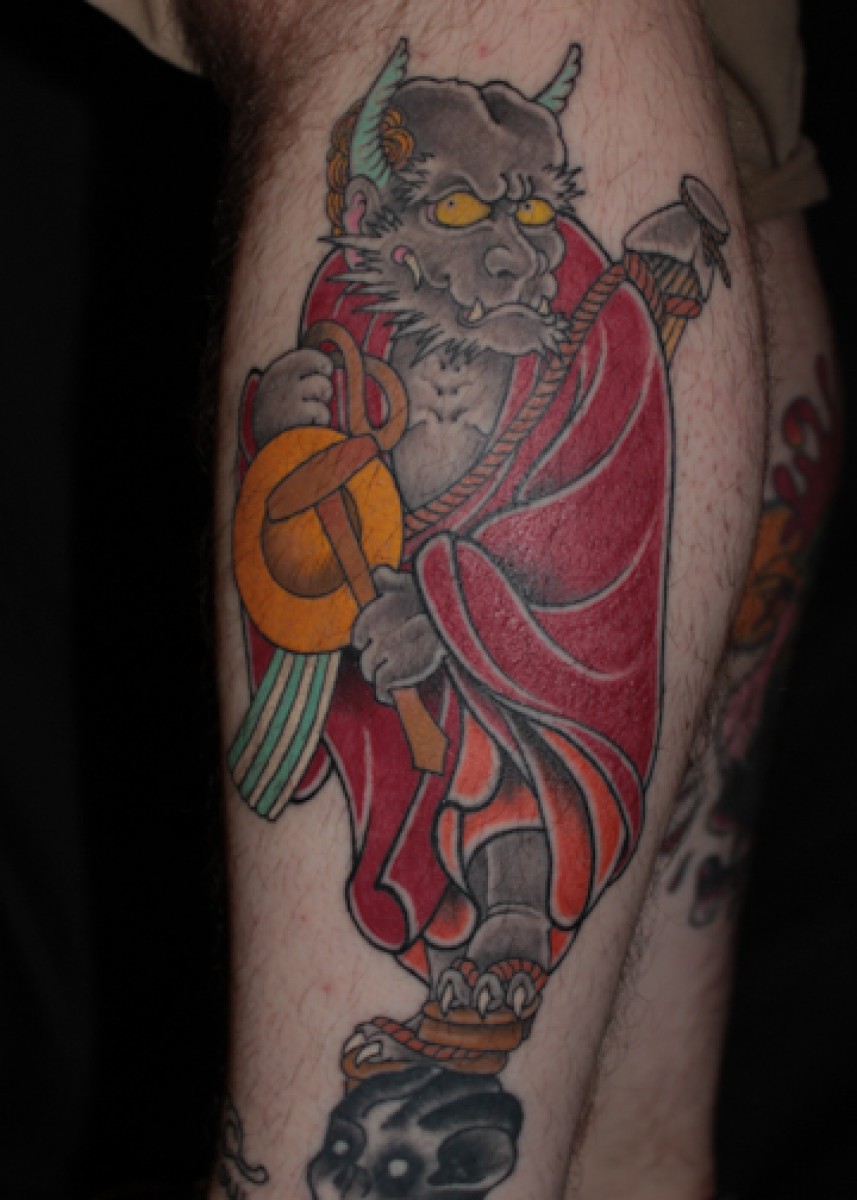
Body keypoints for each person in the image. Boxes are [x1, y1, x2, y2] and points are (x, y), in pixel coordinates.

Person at [86, 3, 841, 1198]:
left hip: (484, 632)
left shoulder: (563, 327)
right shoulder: (364, 323)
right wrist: (292, 442)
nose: (511, 249)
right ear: (373, 215)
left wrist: (445, 605)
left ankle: (504, 937)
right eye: (454, 211)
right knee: (722, 103)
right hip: (408, 619)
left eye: (533, 214)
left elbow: (586, 459)